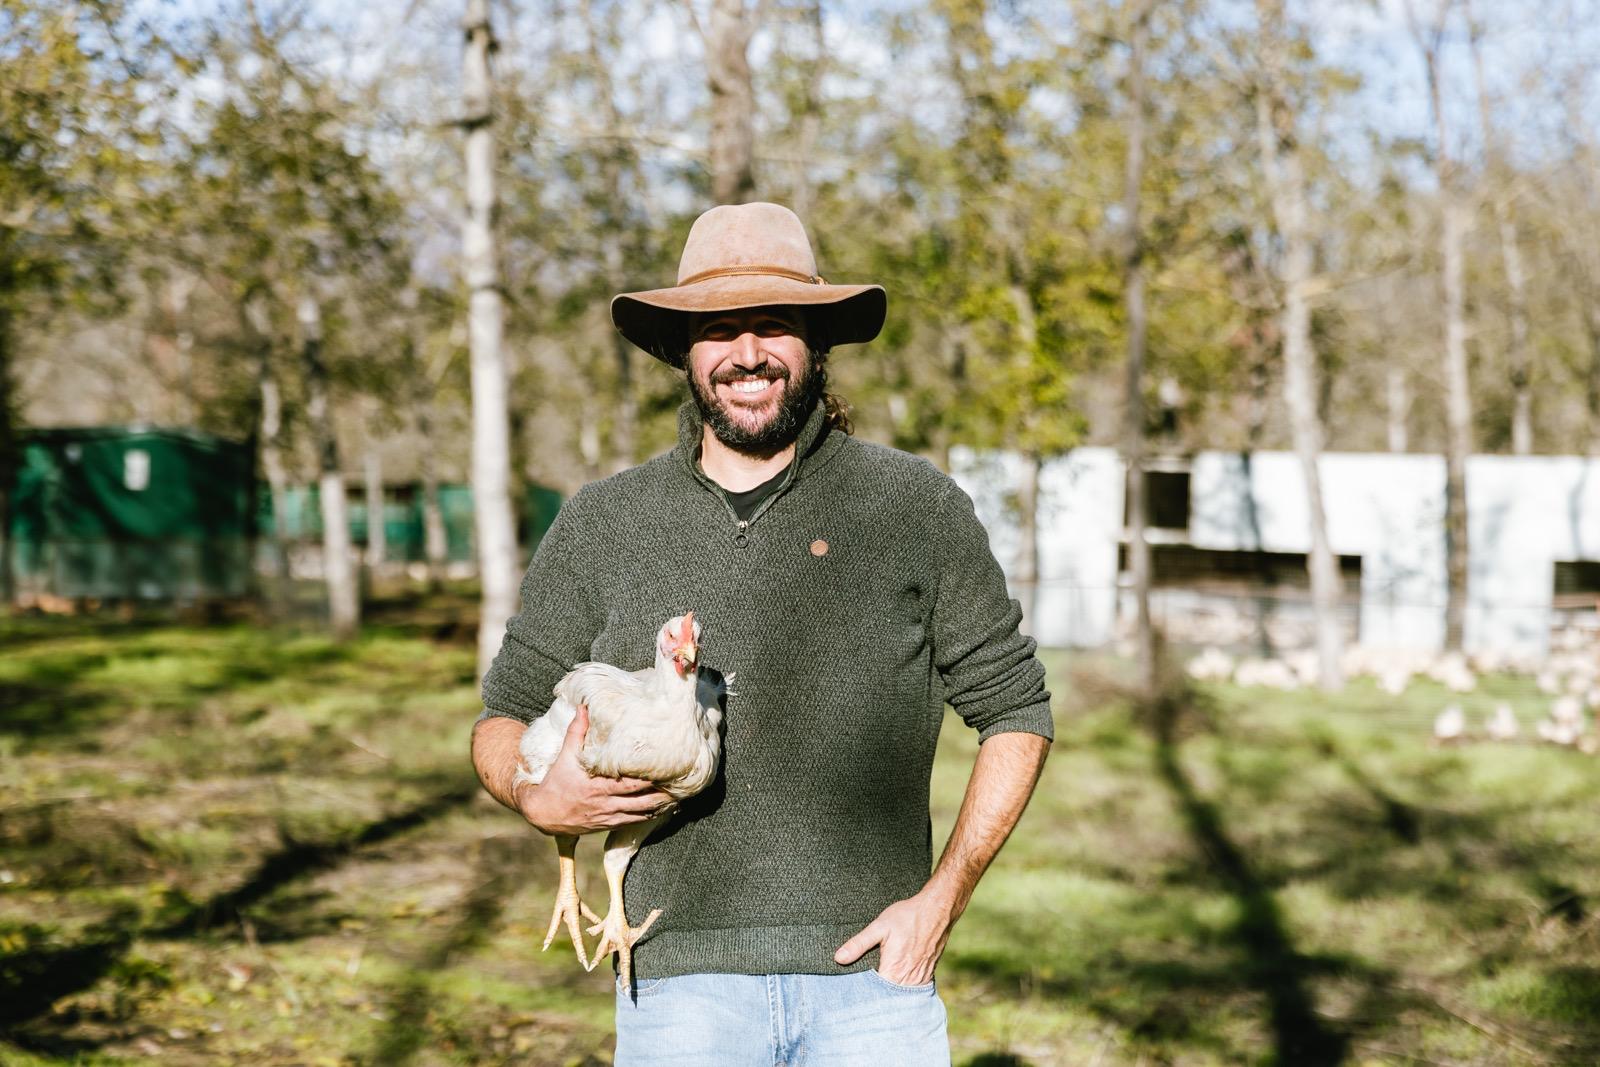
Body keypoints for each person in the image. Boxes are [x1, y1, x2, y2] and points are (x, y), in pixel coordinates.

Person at [470, 201, 1053, 1066]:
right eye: (718, 328)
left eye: (774, 323)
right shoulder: (604, 521)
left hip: (874, 991)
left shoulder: (912, 507)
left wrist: (942, 900)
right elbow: (501, 719)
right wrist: (534, 795)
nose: (748, 353)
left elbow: (1017, 711)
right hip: (677, 995)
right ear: (684, 350)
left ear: (817, 342)